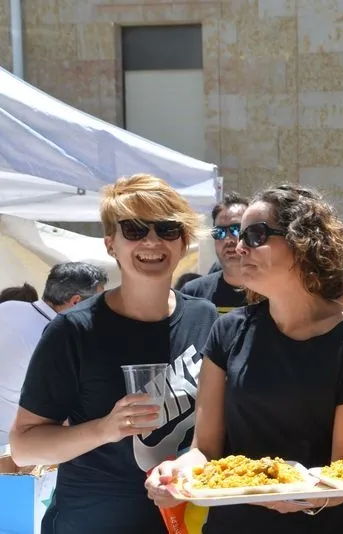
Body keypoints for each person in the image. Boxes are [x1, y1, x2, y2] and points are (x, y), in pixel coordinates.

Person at [145, 184, 343, 534]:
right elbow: (205, 450)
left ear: (303, 242)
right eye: (237, 235)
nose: (239, 246)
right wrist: (176, 473)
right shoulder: (227, 331)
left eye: (255, 235)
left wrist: (295, 497)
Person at [9, 174, 218, 533]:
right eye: (134, 229)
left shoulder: (205, 317)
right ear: (111, 244)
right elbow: (24, 447)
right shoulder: (74, 330)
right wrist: (105, 428)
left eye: (167, 229)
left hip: (182, 522)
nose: (151, 241)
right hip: (90, 523)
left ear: (183, 242)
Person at [0, 262, 108, 446]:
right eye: (98, 302)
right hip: (10, 445)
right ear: (76, 302)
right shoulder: (56, 339)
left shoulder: (9, 307)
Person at [180, 192, 249, 314]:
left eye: (236, 229)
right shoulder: (192, 294)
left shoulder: (272, 292)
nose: (228, 240)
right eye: (219, 232)